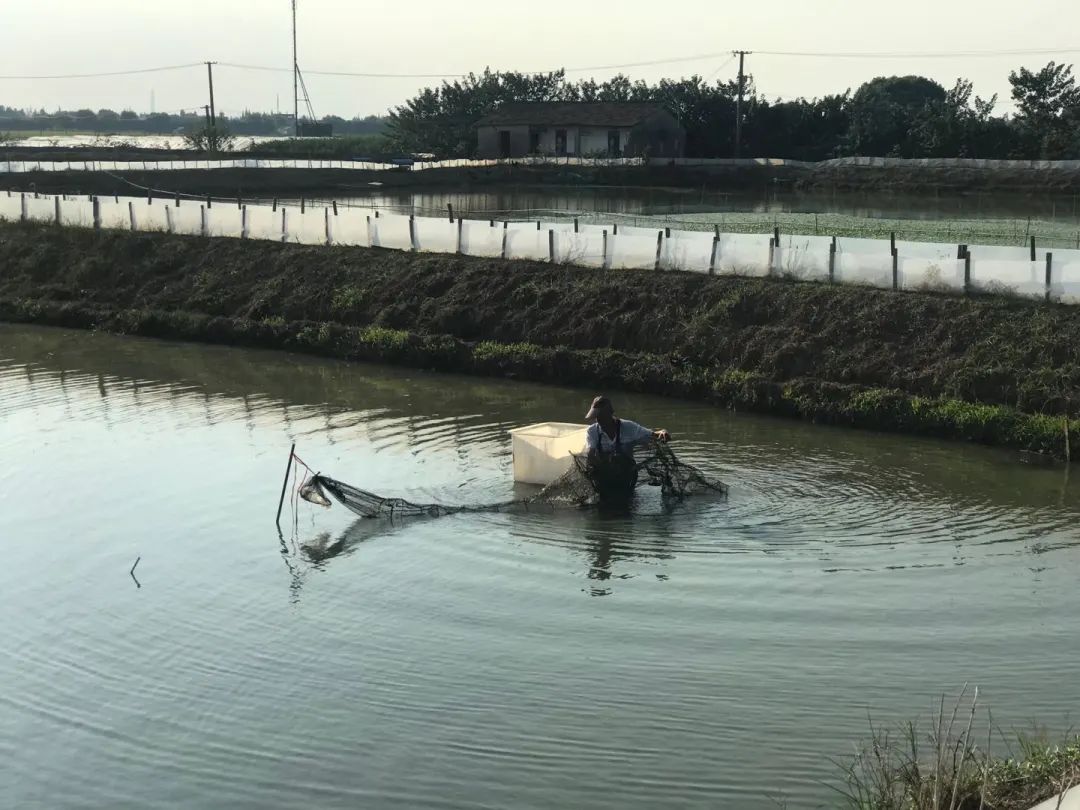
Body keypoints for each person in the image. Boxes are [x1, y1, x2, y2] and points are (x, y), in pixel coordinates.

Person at [583, 396, 670, 501]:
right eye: (596, 416)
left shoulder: (629, 427)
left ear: (610, 413)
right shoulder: (592, 431)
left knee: (626, 504)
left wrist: (663, 432)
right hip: (604, 478)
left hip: (626, 476)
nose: (599, 420)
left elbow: (652, 435)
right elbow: (591, 453)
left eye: (601, 416)